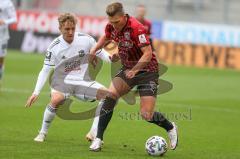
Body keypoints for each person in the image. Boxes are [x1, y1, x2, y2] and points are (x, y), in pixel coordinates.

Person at [88, 2, 178, 151]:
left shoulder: (137, 28)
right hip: (128, 68)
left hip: (147, 71)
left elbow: (148, 54)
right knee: (110, 96)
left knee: (146, 114)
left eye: (117, 22)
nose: (114, 25)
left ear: (124, 16)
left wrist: (135, 70)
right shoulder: (111, 26)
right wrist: (93, 51)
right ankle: (98, 138)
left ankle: (170, 127)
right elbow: (105, 37)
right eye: (111, 22)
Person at [25, 13, 114, 142]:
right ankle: (42, 133)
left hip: (82, 81)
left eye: (73, 28)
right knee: (56, 99)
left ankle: (93, 132)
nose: (71, 32)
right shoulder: (54, 47)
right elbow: (45, 70)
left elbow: (101, 53)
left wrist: (112, 58)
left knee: (108, 97)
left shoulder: (86, 39)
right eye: (67, 29)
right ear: (60, 28)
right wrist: (36, 92)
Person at [0, 0, 17, 88]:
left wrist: (4, 22)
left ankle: (0, 79)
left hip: (2, 36)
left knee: (1, 60)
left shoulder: (7, 3)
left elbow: (14, 18)